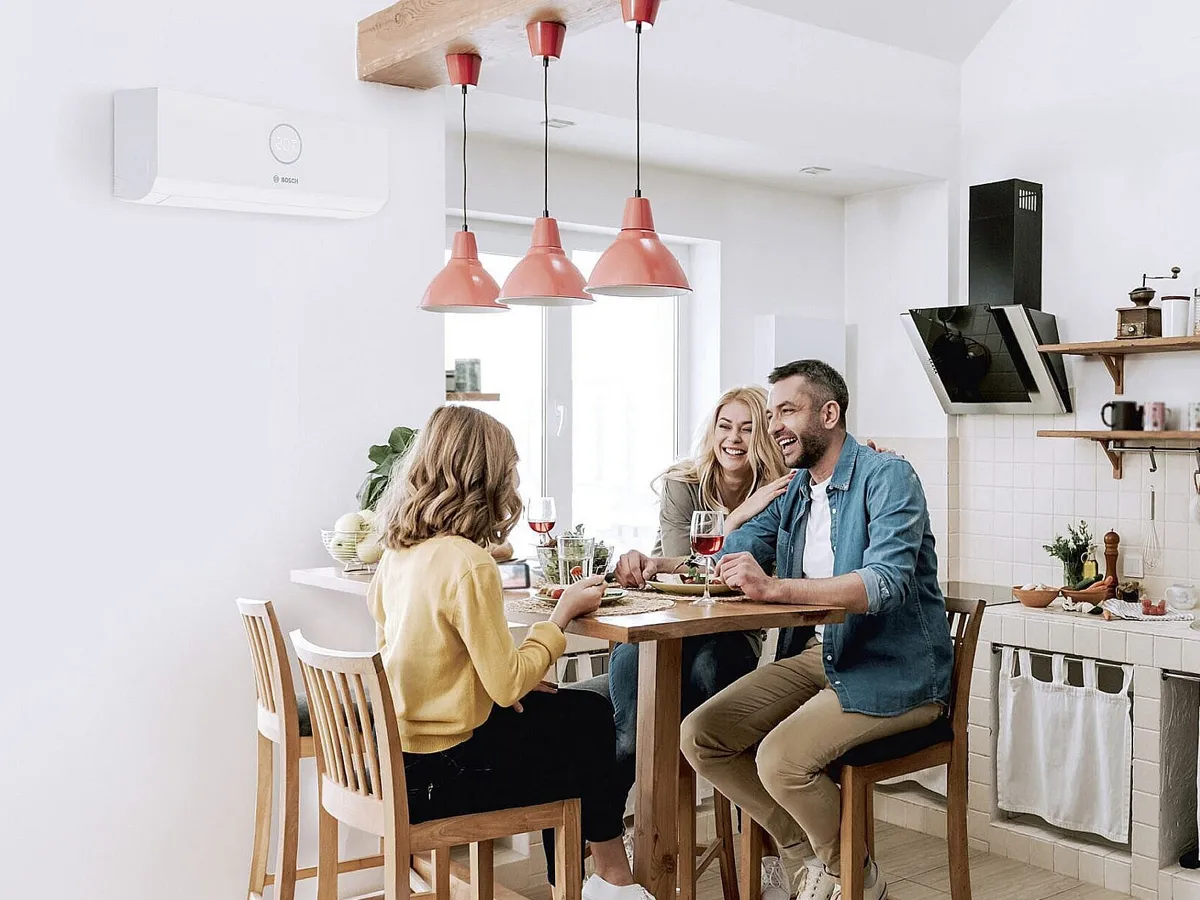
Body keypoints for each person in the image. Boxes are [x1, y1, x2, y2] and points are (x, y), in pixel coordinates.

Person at [614, 360, 953, 900]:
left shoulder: (888, 477)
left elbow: (883, 583)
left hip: (892, 669)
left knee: (779, 760)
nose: (773, 427)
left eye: (786, 412)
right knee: (702, 736)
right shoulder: (797, 489)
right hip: (821, 658)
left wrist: (775, 589)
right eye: (770, 415)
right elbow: (729, 554)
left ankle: (846, 876)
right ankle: (825, 862)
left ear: (830, 413)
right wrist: (659, 566)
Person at [368, 405, 652, 900]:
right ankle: (603, 878)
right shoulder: (468, 563)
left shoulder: (399, 552)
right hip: (447, 774)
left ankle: (594, 877)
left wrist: (505, 683)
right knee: (586, 721)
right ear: (486, 476)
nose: (516, 478)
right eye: (512, 467)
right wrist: (561, 614)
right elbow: (507, 684)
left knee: (569, 715)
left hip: (402, 762)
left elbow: (415, 653)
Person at [602, 387, 793, 851]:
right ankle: (628, 842)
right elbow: (681, 565)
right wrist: (738, 517)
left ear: (764, 436)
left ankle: (757, 850)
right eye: (725, 426)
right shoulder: (682, 484)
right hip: (667, 630)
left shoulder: (784, 489)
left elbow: (760, 575)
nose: (734, 438)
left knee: (720, 704)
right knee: (631, 714)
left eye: (748, 428)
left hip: (731, 633)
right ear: (712, 431)